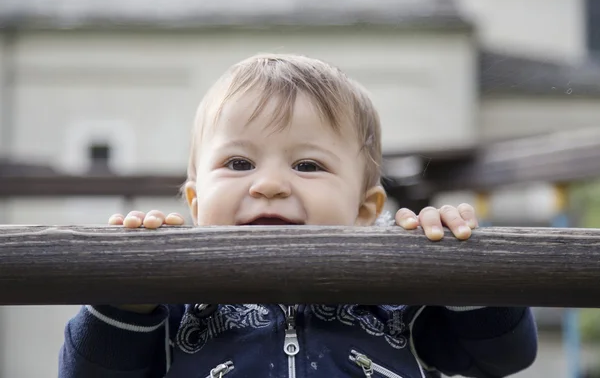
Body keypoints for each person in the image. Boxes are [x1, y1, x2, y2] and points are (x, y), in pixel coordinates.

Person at [59, 54, 537, 378]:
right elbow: (86, 370)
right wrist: (126, 294)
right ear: (197, 203)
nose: (268, 184)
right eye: (238, 164)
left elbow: (504, 354)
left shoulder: (400, 297)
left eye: (307, 165)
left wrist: (464, 265)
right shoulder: (174, 303)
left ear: (364, 210)